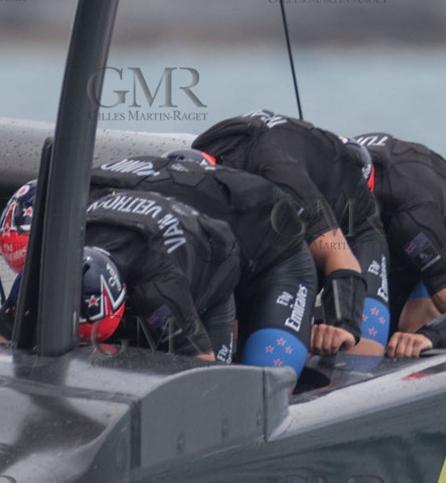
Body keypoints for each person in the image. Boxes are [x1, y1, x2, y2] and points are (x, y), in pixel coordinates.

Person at [87, 151, 312, 371]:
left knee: (265, 371)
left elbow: (204, 374)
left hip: (263, 261)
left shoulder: (160, 289)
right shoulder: (82, 214)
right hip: (184, 253)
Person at [193, 110, 390, 357]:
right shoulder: (196, 181)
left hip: (351, 217)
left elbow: (339, 258)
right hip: (264, 163)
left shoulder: (284, 178)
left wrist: (343, 327)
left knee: (362, 347)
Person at [0, 188, 239, 363]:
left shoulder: (160, 294)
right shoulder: (40, 275)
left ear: (123, 297)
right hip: (121, 233)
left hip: (206, 277)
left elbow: (206, 378)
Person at [352, 132, 446, 358]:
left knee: (415, 323)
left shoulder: (411, 216)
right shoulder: (311, 194)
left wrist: (430, 336)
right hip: (394, 242)